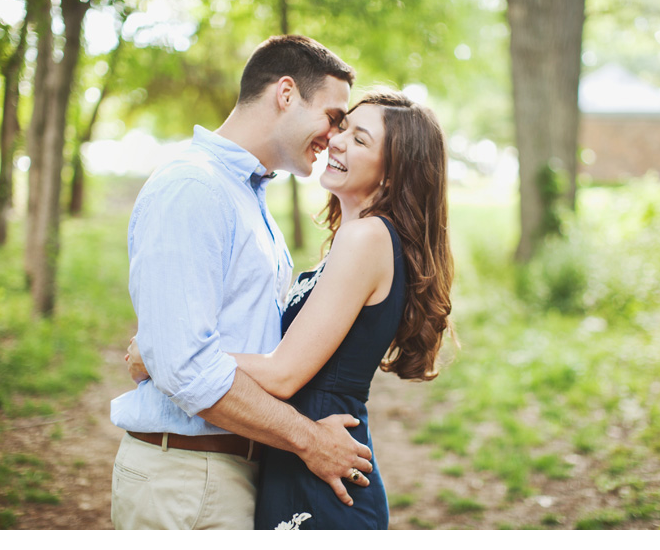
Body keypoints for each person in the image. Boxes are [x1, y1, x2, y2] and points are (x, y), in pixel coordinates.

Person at [127, 88, 455, 529]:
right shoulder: (358, 239)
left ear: (393, 175)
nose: (336, 140)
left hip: (323, 475)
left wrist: (160, 353)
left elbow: (282, 372)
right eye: (342, 127)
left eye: (360, 140)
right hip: (299, 461)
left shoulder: (368, 239)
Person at [110, 34, 375, 530]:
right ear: (287, 93)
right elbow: (186, 367)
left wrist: (159, 352)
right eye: (334, 117)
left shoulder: (245, 195)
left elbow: (211, 345)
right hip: (187, 478)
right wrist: (310, 440)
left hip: (232, 471)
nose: (335, 137)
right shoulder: (194, 188)